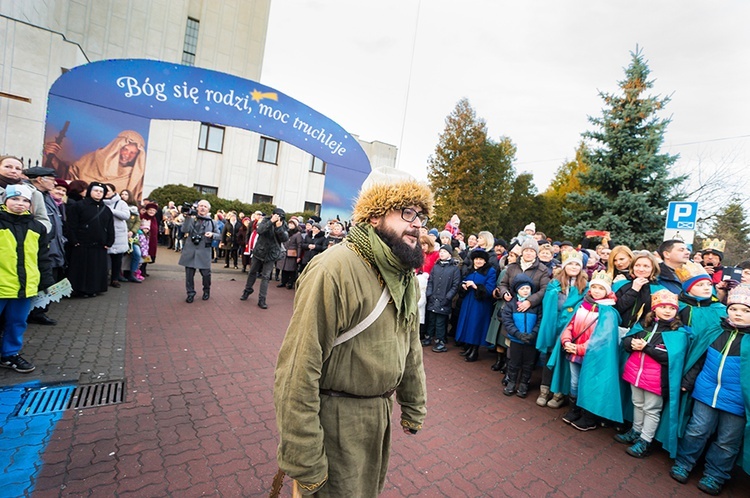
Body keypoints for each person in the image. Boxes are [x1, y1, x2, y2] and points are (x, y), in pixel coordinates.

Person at [273, 167, 430, 497]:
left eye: (421, 215)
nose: (417, 224)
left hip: (378, 417)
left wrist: (414, 403)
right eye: (407, 212)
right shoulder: (334, 269)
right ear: (373, 217)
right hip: (335, 422)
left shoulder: (405, 276)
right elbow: (297, 369)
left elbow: (410, 342)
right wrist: (305, 457)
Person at [671, 285, 750, 495]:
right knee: (697, 429)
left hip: (737, 402)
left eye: (746, 310)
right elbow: (699, 358)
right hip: (706, 392)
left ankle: (715, 475)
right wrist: (688, 380)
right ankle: (684, 463)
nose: (738, 314)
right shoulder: (715, 331)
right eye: (734, 309)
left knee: (727, 441)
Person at [618, 289, 689, 459]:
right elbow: (627, 340)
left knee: (652, 409)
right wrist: (631, 342)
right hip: (636, 373)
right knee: (637, 403)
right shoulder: (644, 325)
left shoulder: (678, 333)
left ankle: (645, 440)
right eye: (663, 306)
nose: (667, 310)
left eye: (671, 308)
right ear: (654, 308)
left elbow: (670, 357)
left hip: (656, 379)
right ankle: (636, 430)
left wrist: (646, 348)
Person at [551, 270, 621, 431]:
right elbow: (570, 324)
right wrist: (566, 340)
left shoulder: (609, 312)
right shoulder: (583, 305)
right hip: (574, 352)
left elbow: (602, 339)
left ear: (607, 291)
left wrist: (579, 348)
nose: (596, 291)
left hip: (593, 356)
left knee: (590, 383)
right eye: (594, 287)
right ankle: (574, 410)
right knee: (574, 382)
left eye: (600, 288)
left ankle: (589, 417)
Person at [0, 185, 55, 373]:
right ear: (5, 200)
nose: (20, 204)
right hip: (2, 285)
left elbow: (43, 257)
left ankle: (10, 354)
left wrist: (46, 280)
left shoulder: (37, 227)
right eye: (15, 199)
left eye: (25, 200)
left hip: (26, 286)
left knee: (17, 322)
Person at [536, 250, 588, 409]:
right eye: (570, 264)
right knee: (549, 357)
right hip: (555, 325)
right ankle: (544, 390)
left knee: (564, 361)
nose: (573, 267)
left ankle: (558, 393)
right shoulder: (555, 283)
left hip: (571, 329)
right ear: (564, 266)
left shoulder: (585, 286)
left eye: (577, 264)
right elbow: (547, 304)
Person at [44, 130, 147, 201]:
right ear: (116, 147)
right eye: (125, 149)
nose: (127, 155)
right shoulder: (91, 159)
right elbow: (69, 176)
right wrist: (52, 158)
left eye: (133, 153)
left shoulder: (136, 179)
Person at [24, 166, 66, 325]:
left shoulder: (47, 196)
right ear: (40, 180)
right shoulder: (30, 194)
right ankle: (32, 312)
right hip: (39, 245)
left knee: (49, 278)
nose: (54, 184)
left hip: (53, 246)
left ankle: (39, 311)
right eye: (52, 180)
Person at [66, 182, 115, 297]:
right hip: (82, 244)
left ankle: (95, 289)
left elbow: (110, 227)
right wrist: (74, 240)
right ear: (90, 191)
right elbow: (71, 225)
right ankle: (80, 290)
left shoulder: (106, 209)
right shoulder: (79, 206)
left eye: (101, 191)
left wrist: (109, 241)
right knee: (82, 270)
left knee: (96, 269)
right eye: (96, 190)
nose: (98, 193)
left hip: (100, 245)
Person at [502, 274, 542, 398]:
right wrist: (517, 334)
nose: (525, 291)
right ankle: (512, 382)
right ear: (517, 290)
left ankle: (524, 383)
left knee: (528, 363)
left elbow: (540, 321)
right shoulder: (511, 305)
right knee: (514, 362)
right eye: (522, 289)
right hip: (516, 339)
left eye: (527, 288)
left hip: (531, 340)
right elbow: (507, 321)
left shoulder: (536, 305)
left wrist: (533, 334)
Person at [454, 248, 497, 363]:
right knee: (467, 323)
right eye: (476, 259)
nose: (478, 261)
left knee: (476, 326)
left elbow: (489, 289)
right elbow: (463, 281)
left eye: (481, 259)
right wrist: (463, 286)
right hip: (468, 301)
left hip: (480, 303)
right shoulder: (470, 270)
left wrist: (476, 286)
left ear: (485, 261)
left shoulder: (490, 271)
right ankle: (468, 347)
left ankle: (475, 350)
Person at [240, 208, 289, 309]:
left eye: (280, 216)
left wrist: (279, 228)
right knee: (252, 272)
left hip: (271, 254)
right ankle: (247, 290)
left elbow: (284, 239)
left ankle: (262, 299)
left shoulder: (283, 224)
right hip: (259, 251)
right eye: (277, 215)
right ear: (272, 215)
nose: (279, 218)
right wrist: (271, 222)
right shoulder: (266, 220)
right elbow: (260, 231)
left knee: (265, 277)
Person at [178, 200, 220, 303]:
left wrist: (212, 235)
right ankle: (190, 293)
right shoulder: (192, 219)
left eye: (205, 206)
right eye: (201, 206)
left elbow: (219, 235)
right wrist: (187, 217)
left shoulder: (213, 222)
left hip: (204, 251)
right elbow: (184, 230)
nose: (202, 208)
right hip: (191, 250)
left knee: (206, 274)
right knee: (189, 275)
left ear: (208, 209)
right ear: (197, 208)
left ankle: (206, 290)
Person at [424, 244, 461, 352]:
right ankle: (428, 337)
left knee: (440, 322)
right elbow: (430, 281)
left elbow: (455, 285)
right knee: (431, 320)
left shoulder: (454, 269)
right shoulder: (436, 266)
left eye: (444, 252)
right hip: (433, 297)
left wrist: (448, 297)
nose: (441, 253)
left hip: (444, 299)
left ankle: (440, 341)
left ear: (449, 254)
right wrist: (429, 293)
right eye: (440, 252)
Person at [0, 156, 51, 232]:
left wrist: (35, 231)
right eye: (8, 167)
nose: (13, 171)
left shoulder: (34, 194)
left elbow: (43, 219)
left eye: (18, 168)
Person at [103, 183, 131, 287]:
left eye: (108, 191)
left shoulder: (121, 203)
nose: (106, 193)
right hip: (104, 234)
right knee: (104, 259)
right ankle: (103, 278)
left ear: (114, 192)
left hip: (118, 235)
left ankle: (115, 278)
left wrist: (111, 211)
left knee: (117, 259)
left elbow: (126, 215)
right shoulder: (100, 202)